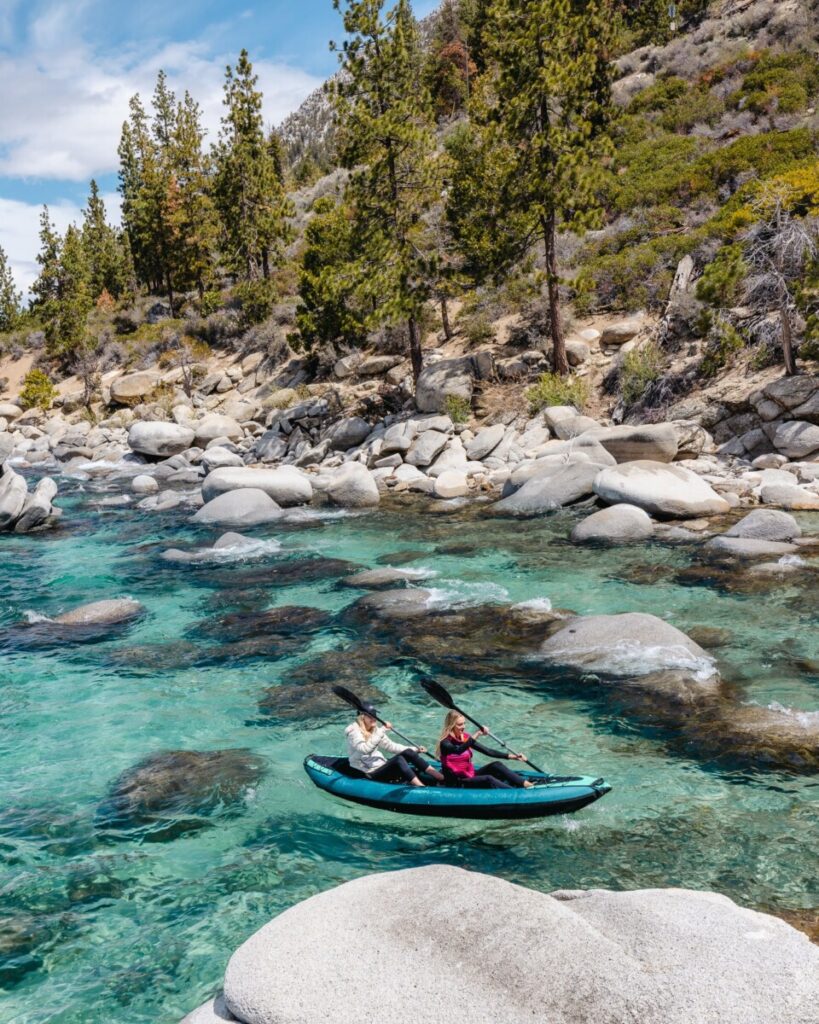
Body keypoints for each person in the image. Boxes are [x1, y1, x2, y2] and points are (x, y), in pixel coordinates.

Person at [345, 704, 444, 786]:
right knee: (398, 760)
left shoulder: (374, 729)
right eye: (370, 716)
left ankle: (441, 777)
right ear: (362, 717)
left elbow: (391, 746)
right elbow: (364, 749)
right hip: (368, 771)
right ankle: (421, 788)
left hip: (380, 765)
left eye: (375, 716)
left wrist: (416, 749)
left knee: (408, 752)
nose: (374, 718)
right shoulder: (354, 732)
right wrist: (382, 730)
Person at [436, 710, 534, 789]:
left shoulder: (465, 738)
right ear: (452, 725)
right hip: (457, 781)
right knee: (488, 778)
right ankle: (515, 793)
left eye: (464, 723)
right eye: (460, 724)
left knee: (496, 765)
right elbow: (458, 750)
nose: (463, 727)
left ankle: (525, 784)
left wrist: (513, 757)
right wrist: (478, 733)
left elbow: (488, 751)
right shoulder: (445, 743)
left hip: (469, 774)